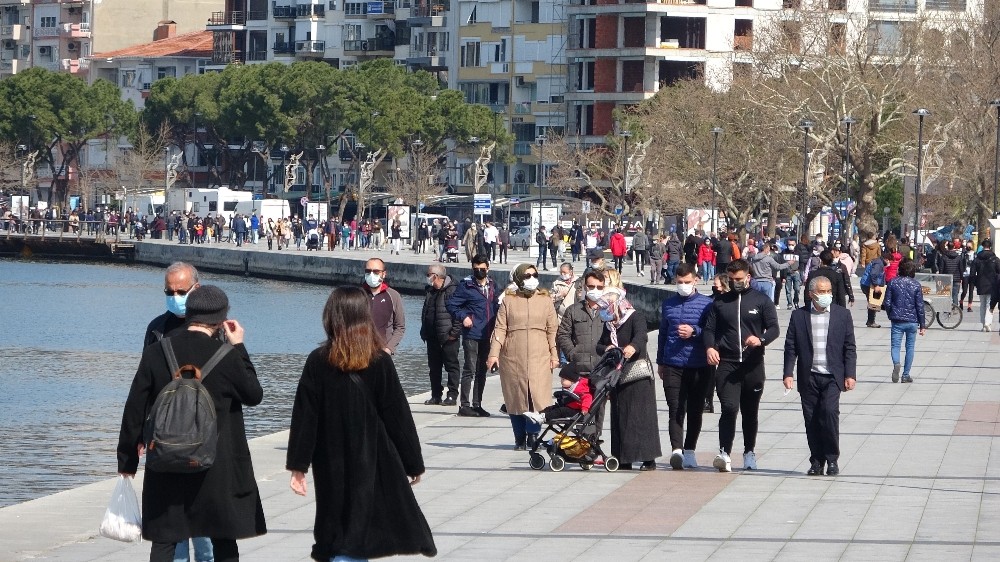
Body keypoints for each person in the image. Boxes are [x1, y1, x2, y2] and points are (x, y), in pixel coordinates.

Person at [286, 287, 436, 561]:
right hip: (372, 455)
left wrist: (298, 466)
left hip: (329, 456)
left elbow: (305, 417)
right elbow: (397, 415)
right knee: (361, 524)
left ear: (331, 317)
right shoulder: (379, 361)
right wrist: (412, 462)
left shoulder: (318, 361)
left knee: (335, 519)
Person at [117, 285, 266, 562]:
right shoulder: (228, 355)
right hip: (218, 465)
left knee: (165, 540)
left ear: (189, 314)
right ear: (222, 319)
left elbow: (135, 407)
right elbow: (253, 395)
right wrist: (239, 346)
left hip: (166, 460)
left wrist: (127, 461)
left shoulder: (156, 352)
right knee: (223, 540)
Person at [704, 259, 780, 472]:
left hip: (752, 364)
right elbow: (709, 329)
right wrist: (710, 347)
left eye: (739, 279)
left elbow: (774, 328)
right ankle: (724, 453)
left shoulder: (761, 300)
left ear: (748, 277)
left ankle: (749, 452)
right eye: (731, 279)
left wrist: (761, 340)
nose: (735, 282)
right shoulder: (720, 302)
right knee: (729, 408)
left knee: (750, 411)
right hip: (727, 364)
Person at [783, 277, 858, 476]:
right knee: (811, 419)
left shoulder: (842, 315)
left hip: (833, 376)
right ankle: (816, 460)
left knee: (829, 414)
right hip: (809, 376)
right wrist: (788, 373)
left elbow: (849, 347)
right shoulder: (799, 316)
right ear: (811, 294)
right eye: (821, 292)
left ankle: (832, 459)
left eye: (828, 291)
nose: (826, 295)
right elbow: (791, 346)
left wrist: (850, 374)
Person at [486, 264, 559, 449]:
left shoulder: (545, 300)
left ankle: (533, 436)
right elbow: (500, 328)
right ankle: (519, 437)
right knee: (516, 397)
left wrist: (554, 354)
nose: (532, 278)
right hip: (513, 355)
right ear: (518, 278)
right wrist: (494, 354)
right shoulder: (508, 301)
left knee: (537, 396)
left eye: (534, 275)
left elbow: (552, 329)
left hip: (539, 353)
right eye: (527, 275)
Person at [597, 287, 661, 470]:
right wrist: (607, 349)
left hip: (637, 374)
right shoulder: (609, 324)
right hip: (617, 374)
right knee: (620, 415)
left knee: (642, 416)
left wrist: (633, 346)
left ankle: (649, 458)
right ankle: (623, 457)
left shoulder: (634, 316)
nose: (606, 309)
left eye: (608, 305)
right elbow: (600, 345)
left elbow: (641, 336)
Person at [657, 263, 713, 470]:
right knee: (675, 408)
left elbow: (711, 330)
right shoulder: (668, 304)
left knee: (696, 409)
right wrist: (660, 361)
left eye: (687, 282)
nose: (683, 286)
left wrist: (695, 332)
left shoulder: (707, 304)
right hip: (673, 363)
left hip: (698, 364)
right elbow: (663, 333)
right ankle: (677, 451)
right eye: (679, 282)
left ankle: (690, 450)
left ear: (696, 280)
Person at [447, 254, 500, 417]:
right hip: (472, 333)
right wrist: (464, 317)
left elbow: (497, 305)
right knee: (469, 368)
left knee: (482, 369)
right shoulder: (466, 286)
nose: (479, 271)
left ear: (488, 268)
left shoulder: (493, 285)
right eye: (476, 269)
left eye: (482, 269)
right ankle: (464, 404)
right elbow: (451, 304)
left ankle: (477, 404)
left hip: (488, 333)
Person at [421, 264, 462, 406]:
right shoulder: (430, 290)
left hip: (448, 337)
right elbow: (426, 311)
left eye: (428, 274)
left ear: (436, 276)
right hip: (432, 336)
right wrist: (424, 331)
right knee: (434, 368)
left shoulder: (453, 290)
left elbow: (458, 314)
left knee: (452, 366)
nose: (427, 277)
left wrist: (454, 333)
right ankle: (436, 395)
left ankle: (452, 395)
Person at [884, 259, 925, 383]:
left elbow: (887, 302)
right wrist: (922, 324)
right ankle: (906, 374)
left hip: (897, 320)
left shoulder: (892, 282)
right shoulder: (916, 285)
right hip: (912, 320)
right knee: (910, 347)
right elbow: (920, 306)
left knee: (895, 345)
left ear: (900, 269)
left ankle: (897, 363)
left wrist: (891, 313)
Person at [144, 262, 201, 347]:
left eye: (181, 292)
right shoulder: (156, 327)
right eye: (169, 292)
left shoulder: (215, 326)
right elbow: (147, 359)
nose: (175, 297)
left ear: (196, 288)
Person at [523, 363, 592, 423]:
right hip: (568, 407)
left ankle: (543, 417)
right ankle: (537, 414)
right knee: (551, 408)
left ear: (572, 380)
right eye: (561, 379)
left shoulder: (580, 388)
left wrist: (585, 408)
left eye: (563, 379)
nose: (561, 381)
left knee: (561, 411)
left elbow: (587, 397)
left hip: (576, 411)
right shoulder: (569, 387)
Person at [362, 258, 405, 355]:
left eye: (376, 271)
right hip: (359, 351)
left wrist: (389, 349)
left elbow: (400, 327)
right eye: (368, 271)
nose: (371, 274)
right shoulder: (357, 294)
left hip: (383, 351)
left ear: (384, 274)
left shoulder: (393, 296)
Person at [970, 239, 1000, 331]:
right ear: (990, 247)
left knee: (982, 304)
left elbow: (972, 273)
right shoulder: (995, 259)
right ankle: (987, 323)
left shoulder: (977, 259)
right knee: (989, 304)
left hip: (980, 283)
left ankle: (983, 324)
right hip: (992, 284)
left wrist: (975, 283)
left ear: (982, 247)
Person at [859, 250, 890, 328]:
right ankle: (871, 321)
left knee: (873, 302)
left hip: (868, 284)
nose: (890, 264)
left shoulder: (879, 262)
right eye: (890, 261)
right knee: (873, 302)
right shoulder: (879, 264)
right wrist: (876, 285)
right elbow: (873, 274)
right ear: (887, 259)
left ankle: (870, 321)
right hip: (868, 284)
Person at [936, 240, 963, 309]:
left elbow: (941, 269)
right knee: (955, 295)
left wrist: (940, 278)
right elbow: (961, 268)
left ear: (947, 247)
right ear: (953, 247)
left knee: (946, 294)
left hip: (946, 278)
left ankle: (946, 307)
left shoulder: (944, 257)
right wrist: (961, 278)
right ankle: (955, 308)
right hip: (956, 278)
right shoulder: (958, 257)